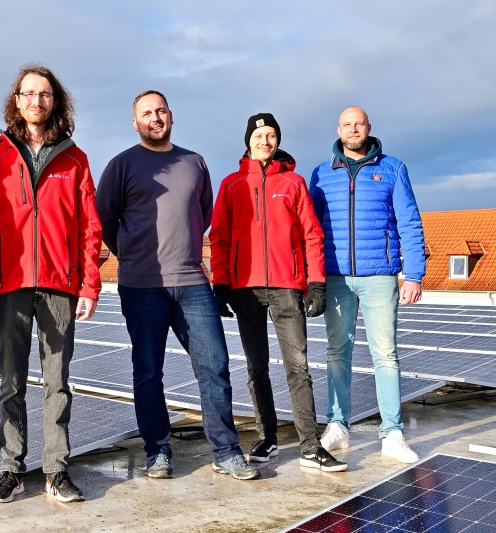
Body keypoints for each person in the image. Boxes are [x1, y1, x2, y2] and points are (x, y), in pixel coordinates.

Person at [96, 90, 260, 481]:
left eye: (161, 110)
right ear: (135, 123)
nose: (155, 117)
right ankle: (157, 451)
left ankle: (226, 450)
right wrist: (134, 257)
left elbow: (201, 214)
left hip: (191, 282)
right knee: (148, 371)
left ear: (171, 115)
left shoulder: (194, 162)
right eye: (146, 113)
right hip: (141, 285)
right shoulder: (121, 166)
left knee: (214, 366)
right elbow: (104, 220)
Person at [0, 65, 102, 504]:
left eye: (44, 94)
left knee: (57, 381)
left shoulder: (75, 160)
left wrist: (89, 285)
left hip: (60, 285)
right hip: (8, 287)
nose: (36, 102)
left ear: (55, 102)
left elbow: (89, 229)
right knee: (11, 381)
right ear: (16, 101)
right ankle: (11, 469)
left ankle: (55, 469)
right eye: (28, 94)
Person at [210, 113, 346, 472]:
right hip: (246, 289)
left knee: (297, 367)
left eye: (271, 135)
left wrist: (315, 281)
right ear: (248, 141)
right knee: (257, 369)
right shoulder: (232, 184)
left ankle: (310, 446)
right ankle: (267, 438)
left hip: (288, 288)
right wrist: (220, 284)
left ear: (277, 140)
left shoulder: (294, 182)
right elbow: (220, 238)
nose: (265, 141)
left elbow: (312, 235)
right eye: (259, 135)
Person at [309, 106, 426, 464]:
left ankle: (392, 433)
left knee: (385, 355)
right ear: (339, 130)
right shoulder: (321, 173)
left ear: (369, 128)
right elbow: (310, 229)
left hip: (380, 276)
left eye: (359, 123)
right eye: (347, 124)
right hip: (336, 277)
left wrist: (415, 274)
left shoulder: (393, 169)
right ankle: (337, 427)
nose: (353, 129)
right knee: (336, 353)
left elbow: (409, 222)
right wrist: (311, 277)